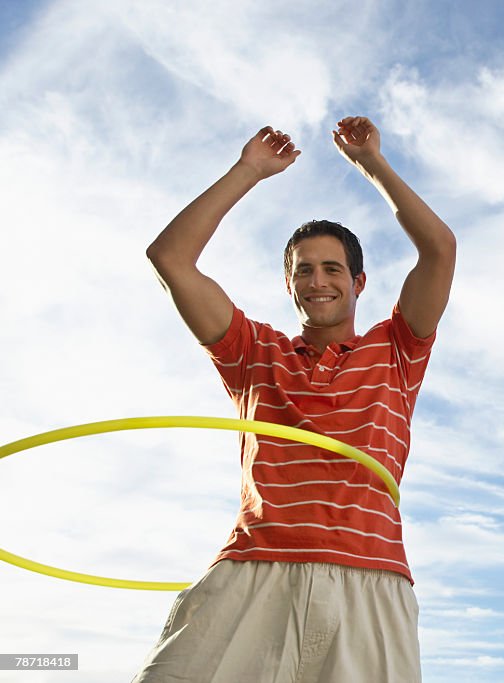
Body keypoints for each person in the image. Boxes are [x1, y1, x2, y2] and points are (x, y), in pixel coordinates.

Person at [134, 117, 456, 682]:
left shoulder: (397, 349)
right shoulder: (253, 351)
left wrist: (373, 165)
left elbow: (439, 250)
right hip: (254, 568)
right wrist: (249, 170)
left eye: (332, 269)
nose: (317, 281)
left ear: (359, 282)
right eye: (302, 271)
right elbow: (170, 260)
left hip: (369, 578)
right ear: (289, 285)